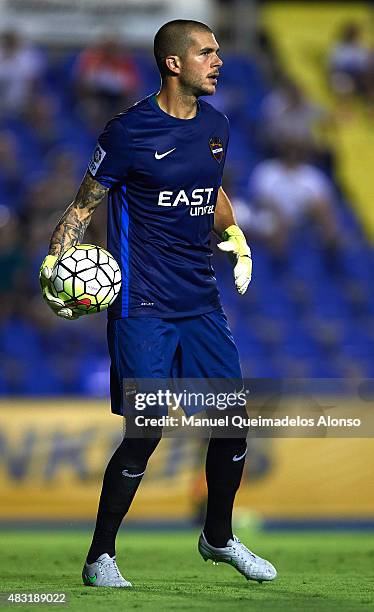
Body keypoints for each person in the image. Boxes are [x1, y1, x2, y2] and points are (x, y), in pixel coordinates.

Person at [39, 20, 277, 588]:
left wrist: (236, 237)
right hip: (141, 305)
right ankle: (101, 556)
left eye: (220, 52)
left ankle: (217, 537)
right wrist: (56, 268)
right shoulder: (129, 131)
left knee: (232, 425)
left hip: (200, 301)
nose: (218, 62)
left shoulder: (217, 126)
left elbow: (209, 188)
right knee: (147, 429)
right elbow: (81, 206)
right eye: (207, 53)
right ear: (174, 64)